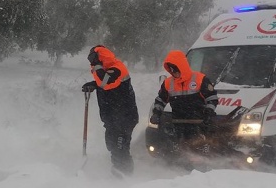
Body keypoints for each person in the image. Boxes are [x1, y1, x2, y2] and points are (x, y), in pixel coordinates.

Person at [82, 45, 139, 176]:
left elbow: (105, 82)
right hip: (113, 118)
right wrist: (93, 85)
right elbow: (105, 82)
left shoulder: (118, 68)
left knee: (120, 148)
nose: (91, 63)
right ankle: (119, 171)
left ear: (100, 57)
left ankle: (124, 174)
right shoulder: (108, 71)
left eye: (93, 59)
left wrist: (96, 65)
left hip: (125, 118)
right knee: (112, 145)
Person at [150, 50, 219, 142]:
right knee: (178, 150)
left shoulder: (200, 79)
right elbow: (161, 100)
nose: (173, 72)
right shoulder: (168, 83)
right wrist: (156, 113)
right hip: (177, 124)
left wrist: (209, 112)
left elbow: (212, 97)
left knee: (197, 149)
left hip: (199, 124)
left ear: (181, 67)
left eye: (175, 69)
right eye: (171, 70)